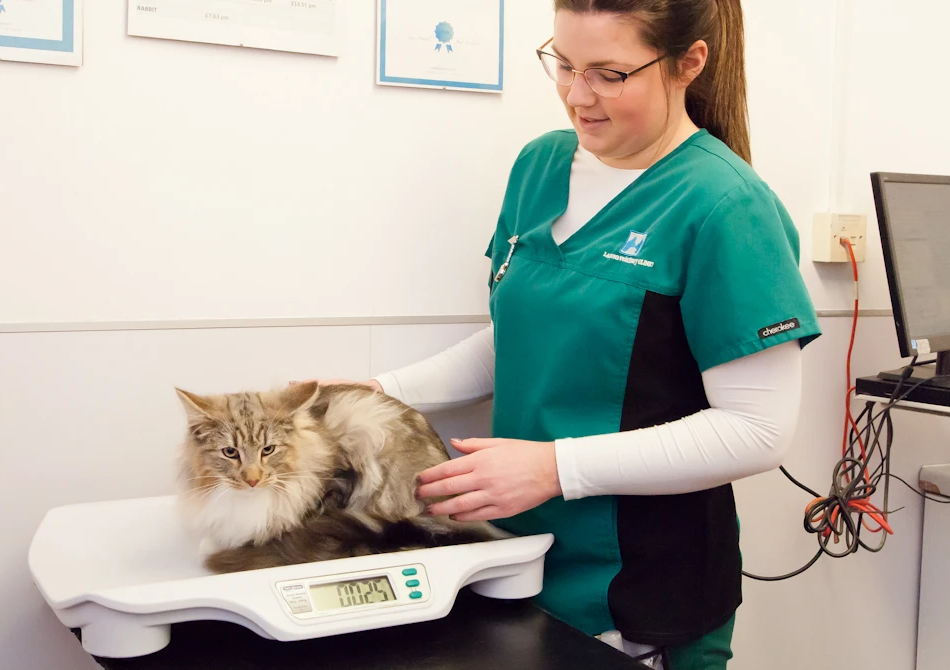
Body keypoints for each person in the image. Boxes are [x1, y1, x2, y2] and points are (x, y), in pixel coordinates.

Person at [311, 1, 819, 667]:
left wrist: (555, 468)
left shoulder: (726, 205)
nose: (578, 98)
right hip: (513, 562)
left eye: (609, 73)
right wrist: (380, 391)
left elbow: (757, 430)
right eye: (564, 64)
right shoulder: (540, 166)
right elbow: (520, 338)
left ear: (688, 64)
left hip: (643, 595)